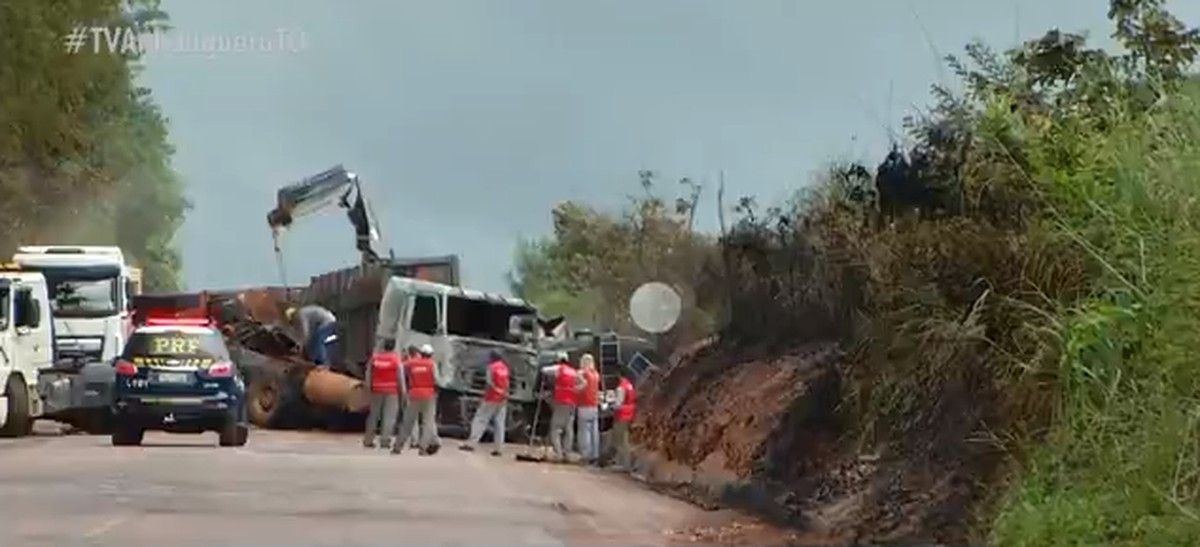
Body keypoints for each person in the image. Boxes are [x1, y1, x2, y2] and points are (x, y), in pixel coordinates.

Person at [393, 343, 440, 456]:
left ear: (421, 353)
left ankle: (397, 447)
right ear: (431, 355)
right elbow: (437, 380)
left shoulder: (410, 363)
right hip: (428, 395)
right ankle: (423, 449)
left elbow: (400, 368)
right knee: (427, 423)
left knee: (407, 422)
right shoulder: (432, 364)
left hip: (413, 394)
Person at [460, 350, 509, 456]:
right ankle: (499, 448)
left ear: (492, 358)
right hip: (503, 399)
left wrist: (489, 394)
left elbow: (489, 383)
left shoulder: (491, 367)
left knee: (480, 419)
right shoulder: (505, 367)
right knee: (499, 424)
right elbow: (507, 383)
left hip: (491, 398)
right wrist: (504, 393)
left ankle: (471, 444)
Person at [540, 352, 583, 462]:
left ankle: (558, 453)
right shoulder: (574, 372)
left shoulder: (559, 368)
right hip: (572, 403)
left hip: (561, 402)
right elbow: (584, 382)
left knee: (555, 428)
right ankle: (567, 453)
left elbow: (544, 370)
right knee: (568, 429)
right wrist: (576, 389)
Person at [362, 339, 401, 449]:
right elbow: (400, 377)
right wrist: (402, 391)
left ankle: (368, 440)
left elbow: (368, 374)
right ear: (393, 347)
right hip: (392, 391)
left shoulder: (375, 358)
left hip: (377, 390)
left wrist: (368, 388)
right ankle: (385, 441)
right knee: (389, 416)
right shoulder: (396, 359)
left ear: (383, 346)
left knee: (373, 416)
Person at [574, 354, 602, 465]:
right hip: (594, 406)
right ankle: (595, 455)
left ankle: (585, 455)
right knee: (594, 432)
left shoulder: (583, 373)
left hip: (584, 405)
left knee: (584, 432)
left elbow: (576, 377)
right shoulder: (596, 374)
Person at [609, 369, 637, 470]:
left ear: (619, 375)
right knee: (625, 439)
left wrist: (610, 406)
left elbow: (618, 403)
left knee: (619, 440)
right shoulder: (629, 385)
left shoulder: (621, 387)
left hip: (621, 415)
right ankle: (627, 463)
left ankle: (622, 464)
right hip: (629, 413)